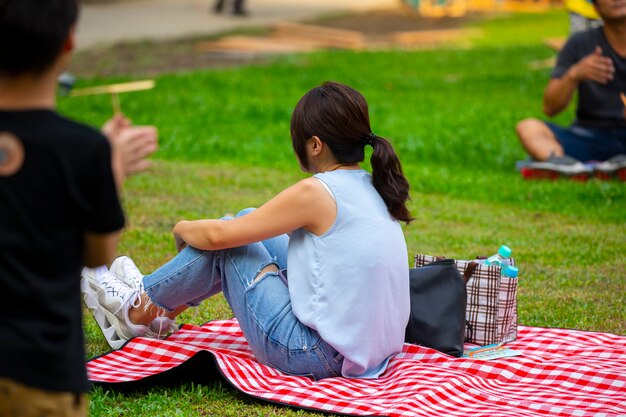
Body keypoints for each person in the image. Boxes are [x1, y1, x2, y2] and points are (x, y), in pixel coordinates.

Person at [83, 81, 413, 380]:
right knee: (247, 218)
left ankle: (136, 310)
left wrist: (181, 227)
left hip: (314, 354)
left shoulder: (318, 192)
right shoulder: (374, 185)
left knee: (230, 242)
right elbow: (246, 225)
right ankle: (157, 311)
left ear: (315, 145)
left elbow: (218, 238)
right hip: (366, 352)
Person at [0, 0, 157, 416]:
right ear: (68, 42)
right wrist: (111, 169)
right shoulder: (82, 150)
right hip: (41, 374)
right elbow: (99, 254)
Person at [515, 0, 626, 179]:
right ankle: (568, 167)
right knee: (528, 128)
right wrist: (574, 74)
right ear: (595, 7)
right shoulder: (580, 43)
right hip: (589, 136)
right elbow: (550, 108)